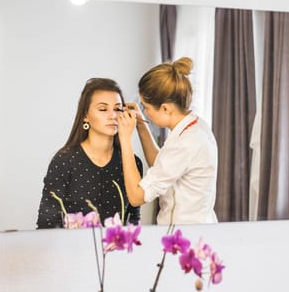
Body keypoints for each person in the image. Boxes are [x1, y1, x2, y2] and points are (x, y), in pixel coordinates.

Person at [117, 57, 218, 225]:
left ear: (165, 108)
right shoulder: (196, 127)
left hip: (184, 234)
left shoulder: (185, 143)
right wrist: (142, 126)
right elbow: (162, 165)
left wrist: (125, 139)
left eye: (146, 107)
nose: (146, 111)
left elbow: (136, 197)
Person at [36, 78, 143, 229]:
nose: (113, 115)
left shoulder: (133, 162)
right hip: (71, 250)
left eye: (118, 109)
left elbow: (133, 220)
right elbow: (46, 223)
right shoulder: (64, 161)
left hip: (116, 250)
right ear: (85, 116)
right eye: (103, 109)